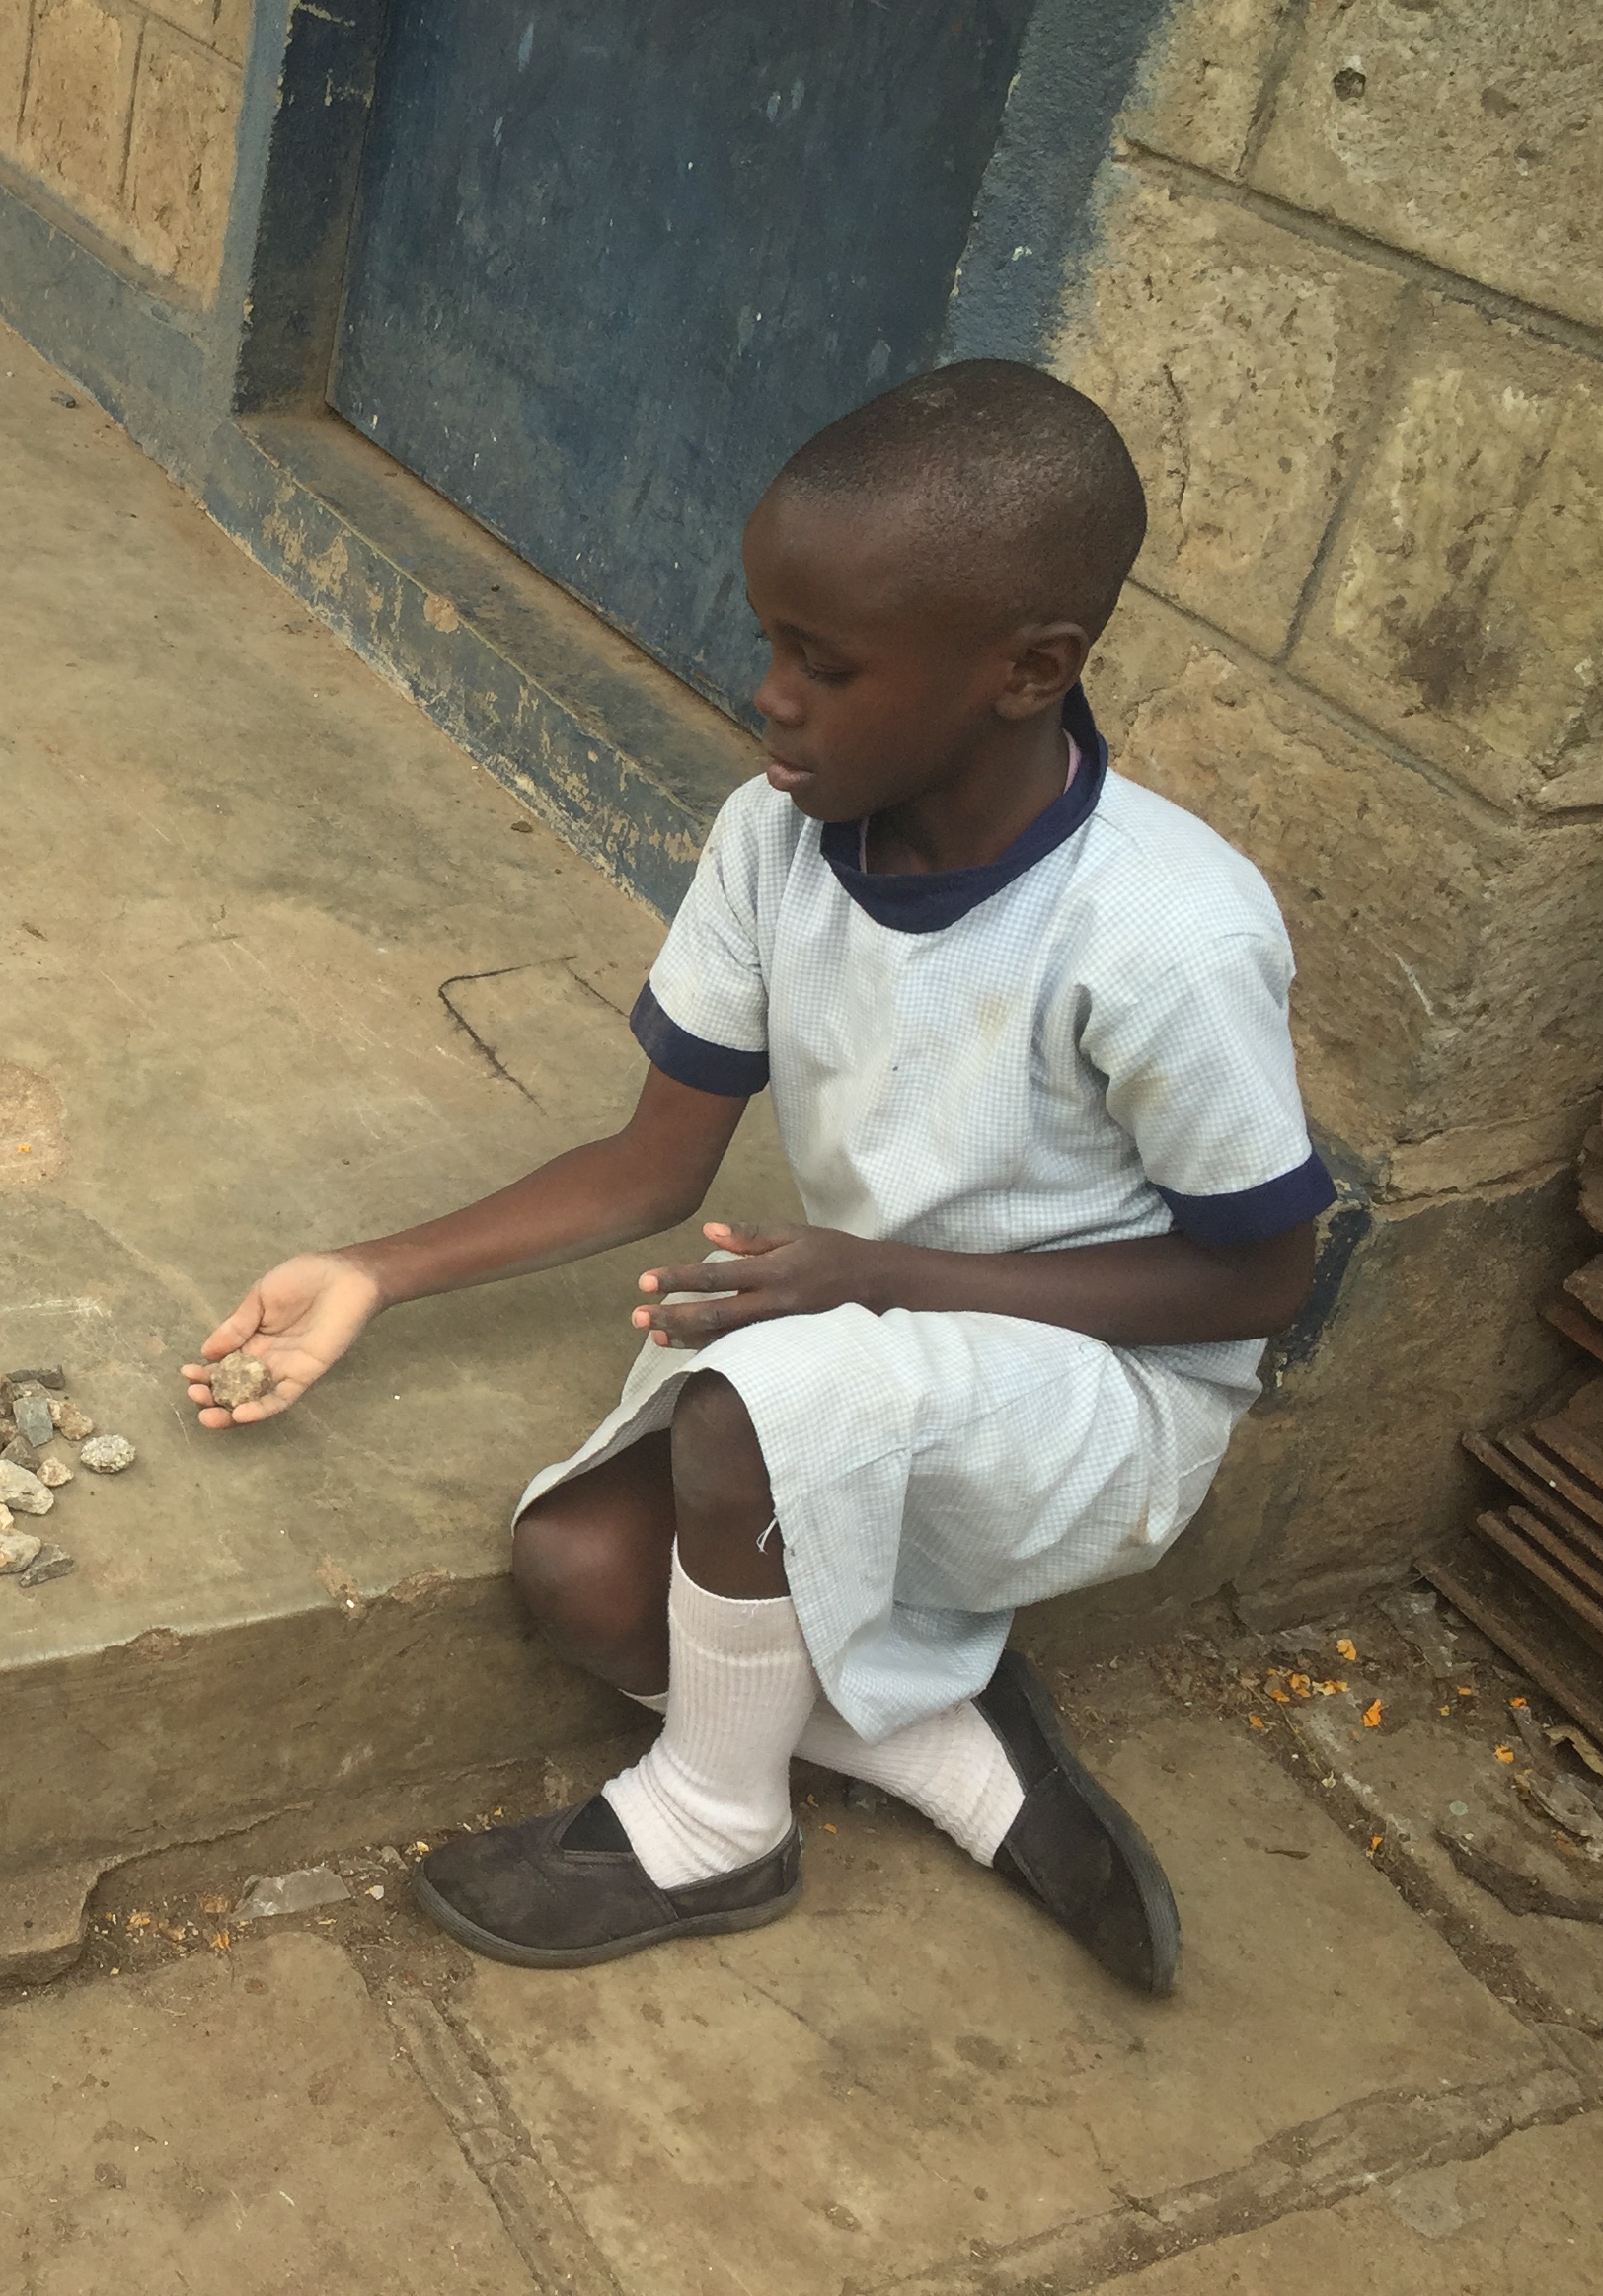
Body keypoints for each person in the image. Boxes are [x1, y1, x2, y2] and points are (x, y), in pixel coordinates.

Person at [186, 361, 1327, 1993]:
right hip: (860, 1351)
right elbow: (654, 1162)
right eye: (773, 641)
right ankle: (942, 1742)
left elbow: (1261, 1283)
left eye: (826, 662)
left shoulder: (1165, 931)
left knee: (739, 1411)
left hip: (1103, 1398)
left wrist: (876, 1277)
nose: (770, 697)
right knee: (577, 1575)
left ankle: (718, 1823)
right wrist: (371, 1267)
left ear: (1030, 671)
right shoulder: (777, 833)